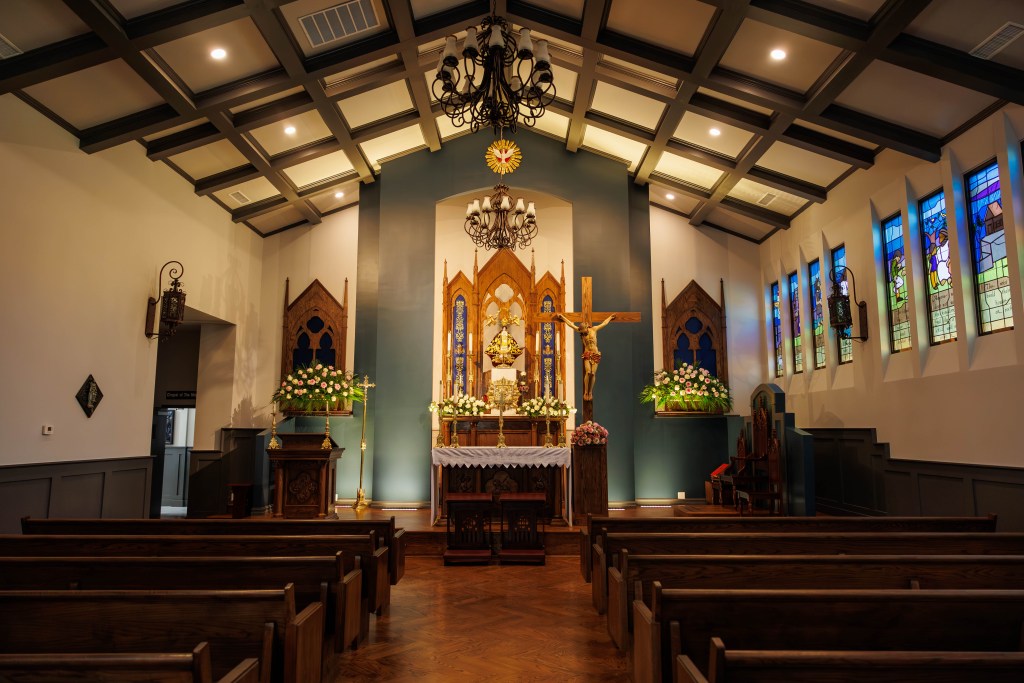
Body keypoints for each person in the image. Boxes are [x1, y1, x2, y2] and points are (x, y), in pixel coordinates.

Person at [557, 313, 615, 401]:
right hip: (587, 353)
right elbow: (570, 324)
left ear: (586, 327)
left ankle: (590, 391)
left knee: (593, 373)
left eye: (584, 331)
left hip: (595, 353)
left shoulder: (594, 329)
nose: (583, 333)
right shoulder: (580, 331)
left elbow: (604, 323)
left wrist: (610, 317)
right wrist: (563, 317)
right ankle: (586, 392)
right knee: (588, 372)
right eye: (582, 332)